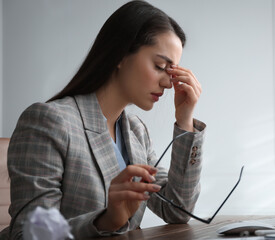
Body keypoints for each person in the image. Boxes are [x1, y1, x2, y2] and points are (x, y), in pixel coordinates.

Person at [0, 0, 205, 239]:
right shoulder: (49, 122)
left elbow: (176, 209)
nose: (169, 83)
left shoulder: (136, 131)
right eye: (160, 66)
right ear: (119, 55)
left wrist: (185, 120)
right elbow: (27, 233)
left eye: (172, 72)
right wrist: (106, 220)